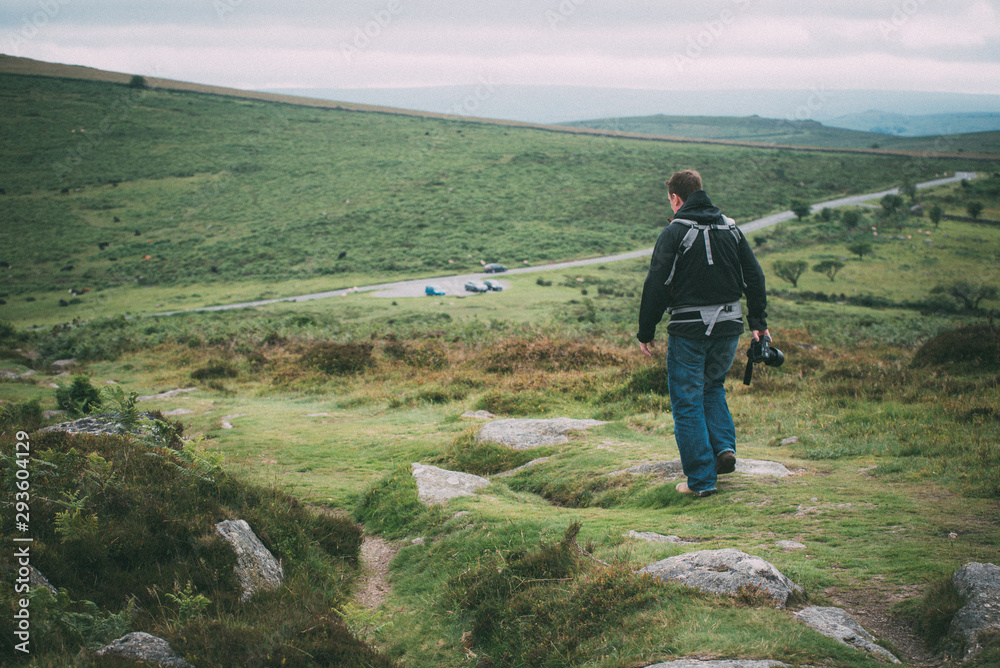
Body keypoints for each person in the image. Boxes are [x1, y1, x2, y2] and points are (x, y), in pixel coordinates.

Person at [637, 169, 769, 497]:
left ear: (676, 198)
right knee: (712, 387)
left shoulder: (675, 231)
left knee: (687, 401)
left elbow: (656, 282)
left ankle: (700, 482)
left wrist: (645, 331)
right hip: (729, 326)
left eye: (670, 200)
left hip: (688, 329)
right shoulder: (731, 227)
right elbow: (755, 275)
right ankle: (723, 449)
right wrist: (759, 324)